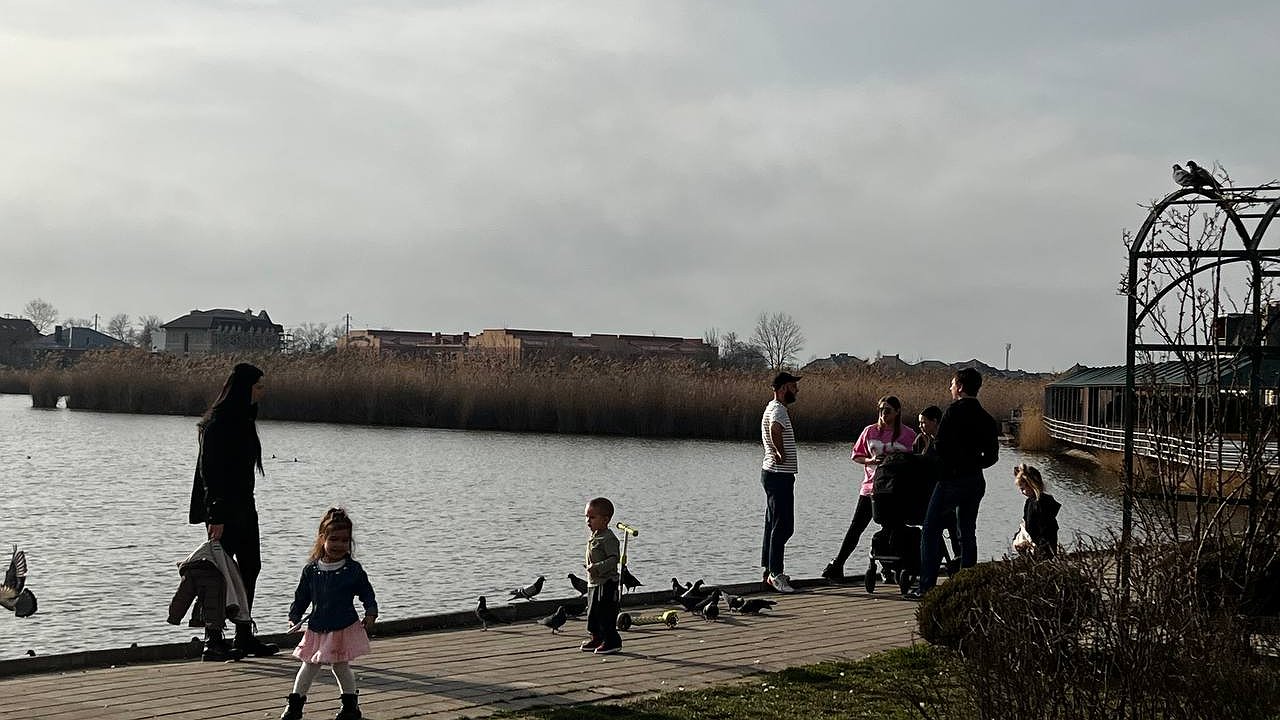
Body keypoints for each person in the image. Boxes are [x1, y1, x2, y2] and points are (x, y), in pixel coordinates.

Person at [188, 362, 279, 660]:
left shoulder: (243, 420)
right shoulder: (217, 424)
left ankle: (243, 633)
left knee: (251, 566)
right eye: (258, 387)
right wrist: (215, 515)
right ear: (243, 389)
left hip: (244, 505)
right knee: (219, 573)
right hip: (223, 509)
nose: (262, 392)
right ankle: (212, 639)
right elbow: (209, 472)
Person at [282, 507, 378, 720]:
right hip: (317, 626)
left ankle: (350, 707)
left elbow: (366, 593)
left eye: (345, 540)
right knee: (309, 665)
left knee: (340, 665)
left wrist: (371, 612)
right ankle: (295, 706)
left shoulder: (352, 570)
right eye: (334, 539)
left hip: (343, 625)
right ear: (322, 538)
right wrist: (294, 617)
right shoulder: (311, 570)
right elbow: (301, 597)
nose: (339, 545)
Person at [913, 367, 1000, 597]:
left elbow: (941, 447)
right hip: (975, 480)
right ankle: (968, 584)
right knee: (967, 532)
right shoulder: (986, 418)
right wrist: (974, 463)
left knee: (930, 529)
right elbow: (992, 457)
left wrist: (947, 461)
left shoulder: (953, 412)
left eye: (952, 384)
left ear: (960, 387)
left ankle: (927, 586)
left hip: (951, 480)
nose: (950, 388)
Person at [822, 395, 916, 581]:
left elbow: (917, 459)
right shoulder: (870, 431)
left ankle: (889, 567)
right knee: (856, 526)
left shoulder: (908, 434)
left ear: (897, 412)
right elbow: (856, 455)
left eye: (887, 411)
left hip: (894, 490)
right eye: (880, 410)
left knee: (892, 528)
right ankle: (838, 564)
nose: (883, 414)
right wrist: (871, 460)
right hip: (871, 487)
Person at [760, 371, 801, 593]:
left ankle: (769, 571)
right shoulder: (778, 410)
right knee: (783, 525)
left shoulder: (772, 407)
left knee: (773, 524)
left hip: (773, 474)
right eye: (794, 386)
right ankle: (775, 573)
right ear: (784, 388)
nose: (797, 390)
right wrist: (779, 452)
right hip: (779, 475)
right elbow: (775, 429)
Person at [914, 405, 962, 561]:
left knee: (953, 522)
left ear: (935, 421)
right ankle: (932, 557)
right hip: (926, 490)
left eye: (924, 422)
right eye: (919, 423)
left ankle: (958, 555)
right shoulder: (920, 440)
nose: (921, 426)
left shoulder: (947, 439)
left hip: (946, 488)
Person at [580, 497, 623, 655]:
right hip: (593, 582)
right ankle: (596, 637)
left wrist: (597, 567)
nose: (588, 521)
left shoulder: (608, 538)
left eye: (592, 517)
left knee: (605, 614)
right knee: (593, 613)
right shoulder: (595, 536)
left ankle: (612, 641)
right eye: (586, 517)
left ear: (605, 519)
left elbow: (614, 559)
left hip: (606, 582)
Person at [1012, 464, 1061, 559]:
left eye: (1023, 488)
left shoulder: (1041, 504)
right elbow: (1026, 522)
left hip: (1042, 547)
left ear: (1032, 485)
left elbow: (1044, 529)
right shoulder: (1030, 502)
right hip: (1036, 545)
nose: (1021, 492)